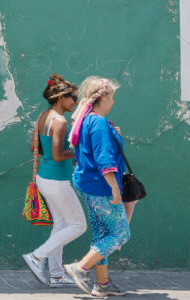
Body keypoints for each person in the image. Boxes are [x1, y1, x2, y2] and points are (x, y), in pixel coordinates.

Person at [63, 77, 130, 297]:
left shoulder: (88, 120)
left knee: (102, 233)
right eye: (112, 97)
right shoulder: (99, 122)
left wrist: (114, 135)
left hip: (85, 183)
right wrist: (114, 188)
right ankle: (80, 267)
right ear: (102, 97)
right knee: (120, 233)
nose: (114, 102)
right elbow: (103, 158)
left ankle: (102, 284)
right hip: (100, 185)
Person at [22, 74, 87, 286]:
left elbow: (36, 147)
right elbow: (58, 155)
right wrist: (79, 152)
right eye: (72, 98)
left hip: (45, 177)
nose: (75, 102)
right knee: (78, 225)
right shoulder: (59, 121)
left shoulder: (44, 115)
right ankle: (37, 256)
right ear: (60, 98)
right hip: (57, 181)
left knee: (60, 226)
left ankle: (57, 274)